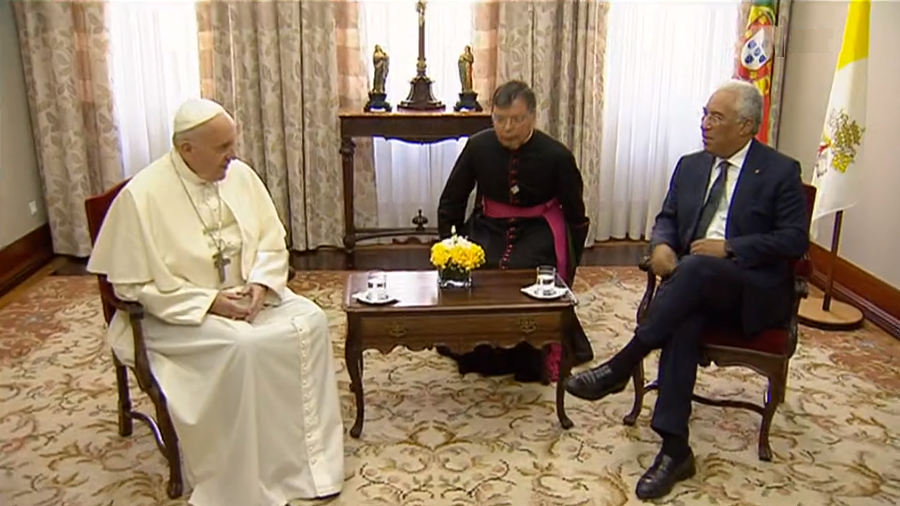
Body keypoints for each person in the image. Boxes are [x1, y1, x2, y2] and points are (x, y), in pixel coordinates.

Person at [87, 98, 345, 506]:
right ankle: (244, 473)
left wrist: (261, 284)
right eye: (222, 147)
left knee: (311, 321)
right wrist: (210, 303)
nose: (233, 155)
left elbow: (270, 239)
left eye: (232, 143)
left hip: (250, 296)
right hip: (177, 316)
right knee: (243, 346)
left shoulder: (240, 176)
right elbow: (131, 289)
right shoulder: (143, 196)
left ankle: (305, 461)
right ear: (186, 149)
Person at [564, 80, 809, 501]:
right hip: (694, 288)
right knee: (684, 314)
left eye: (717, 117)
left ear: (748, 126)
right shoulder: (691, 165)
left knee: (694, 271)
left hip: (749, 289)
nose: (705, 125)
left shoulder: (780, 171)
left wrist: (730, 247)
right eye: (704, 114)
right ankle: (674, 448)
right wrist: (660, 244)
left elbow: (793, 241)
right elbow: (668, 217)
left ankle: (622, 365)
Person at [436, 80, 594, 383]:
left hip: (538, 229)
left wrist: (570, 263)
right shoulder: (478, 146)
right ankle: (479, 351)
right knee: (480, 267)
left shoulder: (557, 156)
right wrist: (451, 246)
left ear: (532, 117)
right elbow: (452, 200)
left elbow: (576, 215)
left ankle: (528, 357)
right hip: (488, 225)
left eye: (516, 119)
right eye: (499, 119)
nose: (507, 127)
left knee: (526, 272)